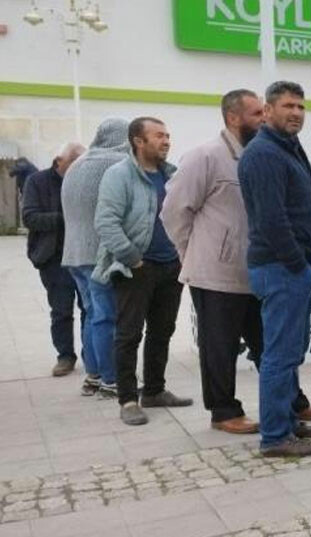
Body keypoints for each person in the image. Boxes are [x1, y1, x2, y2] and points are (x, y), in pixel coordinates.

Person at [163, 89, 311, 435]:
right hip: (218, 270)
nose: (263, 118)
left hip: (260, 267)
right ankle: (224, 410)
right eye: (256, 113)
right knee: (220, 345)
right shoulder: (205, 156)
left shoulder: (271, 151)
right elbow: (174, 211)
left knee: (272, 345)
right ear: (233, 117)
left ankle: (290, 407)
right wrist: (192, 254)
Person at [239, 80, 311, 457]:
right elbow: (271, 219)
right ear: (268, 109)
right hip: (281, 268)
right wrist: (298, 261)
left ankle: (287, 420)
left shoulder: (287, 148)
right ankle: (275, 436)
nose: (296, 112)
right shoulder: (263, 154)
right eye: (288, 106)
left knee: (290, 351)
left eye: (301, 107)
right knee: (278, 354)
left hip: (293, 266)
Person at [94, 117, 193, 426]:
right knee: (128, 335)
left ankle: (154, 390)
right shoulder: (119, 175)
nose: (166, 141)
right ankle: (127, 400)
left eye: (168, 135)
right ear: (138, 140)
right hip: (136, 268)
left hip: (171, 267)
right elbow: (105, 222)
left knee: (162, 332)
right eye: (159, 136)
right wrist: (132, 258)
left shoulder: (172, 175)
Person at [62, 118, 128, 397]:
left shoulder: (78, 164)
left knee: (92, 314)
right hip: (100, 253)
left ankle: (93, 375)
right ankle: (111, 380)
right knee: (106, 317)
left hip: (74, 253)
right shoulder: (115, 164)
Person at [21, 143, 86, 377]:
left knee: (90, 309)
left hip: (82, 255)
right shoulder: (37, 181)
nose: (78, 168)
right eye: (74, 163)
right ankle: (65, 356)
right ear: (59, 161)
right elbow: (30, 217)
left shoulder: (83, 181)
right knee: (61, 311)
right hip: (53, 258)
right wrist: (66, 218)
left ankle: (92, 355)